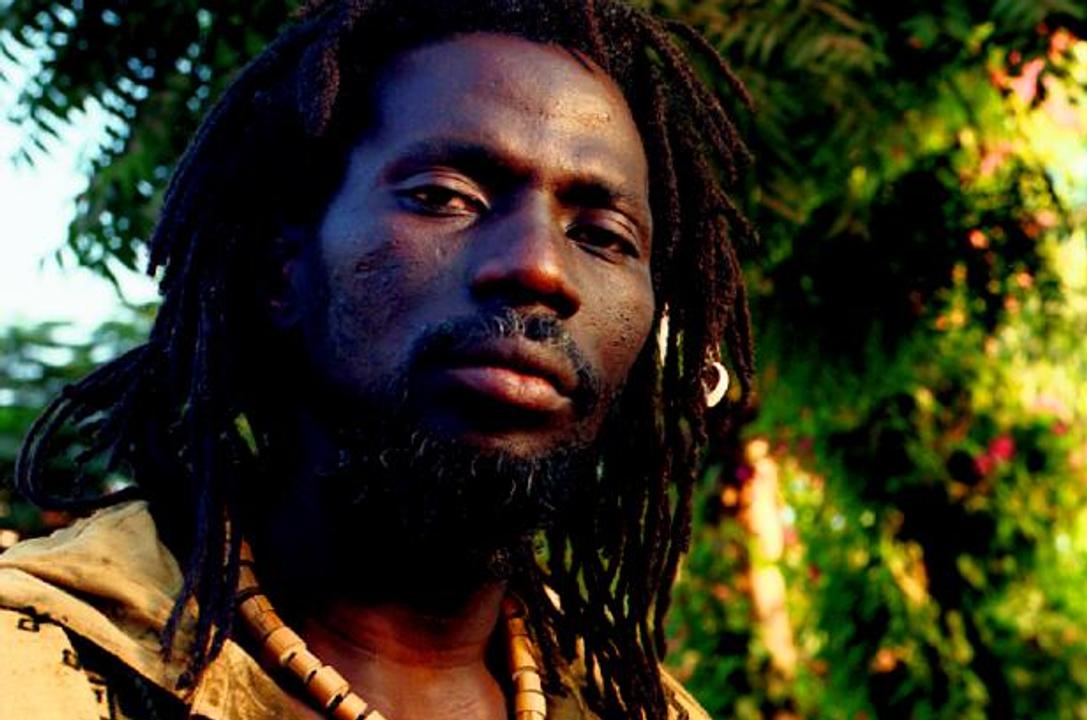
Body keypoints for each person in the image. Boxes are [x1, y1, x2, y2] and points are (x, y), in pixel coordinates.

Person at [0, 1, 755, 718]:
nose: (539, 268)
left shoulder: (633, 707)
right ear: (282, 270)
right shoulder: (34, 668)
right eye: (445, 196)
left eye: (603, 236)